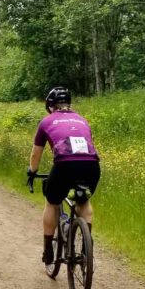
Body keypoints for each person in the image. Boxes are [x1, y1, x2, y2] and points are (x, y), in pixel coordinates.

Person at [27, 87, 101, 264]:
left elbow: (36, 154)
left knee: (52, 203)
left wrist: (32, 172)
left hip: (64, 165)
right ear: (69, 103)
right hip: (92, 165)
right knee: (83, 200)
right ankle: (86, 248)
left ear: (50, 106)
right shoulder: (83, 120)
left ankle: (48, 252)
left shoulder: (46, 122)